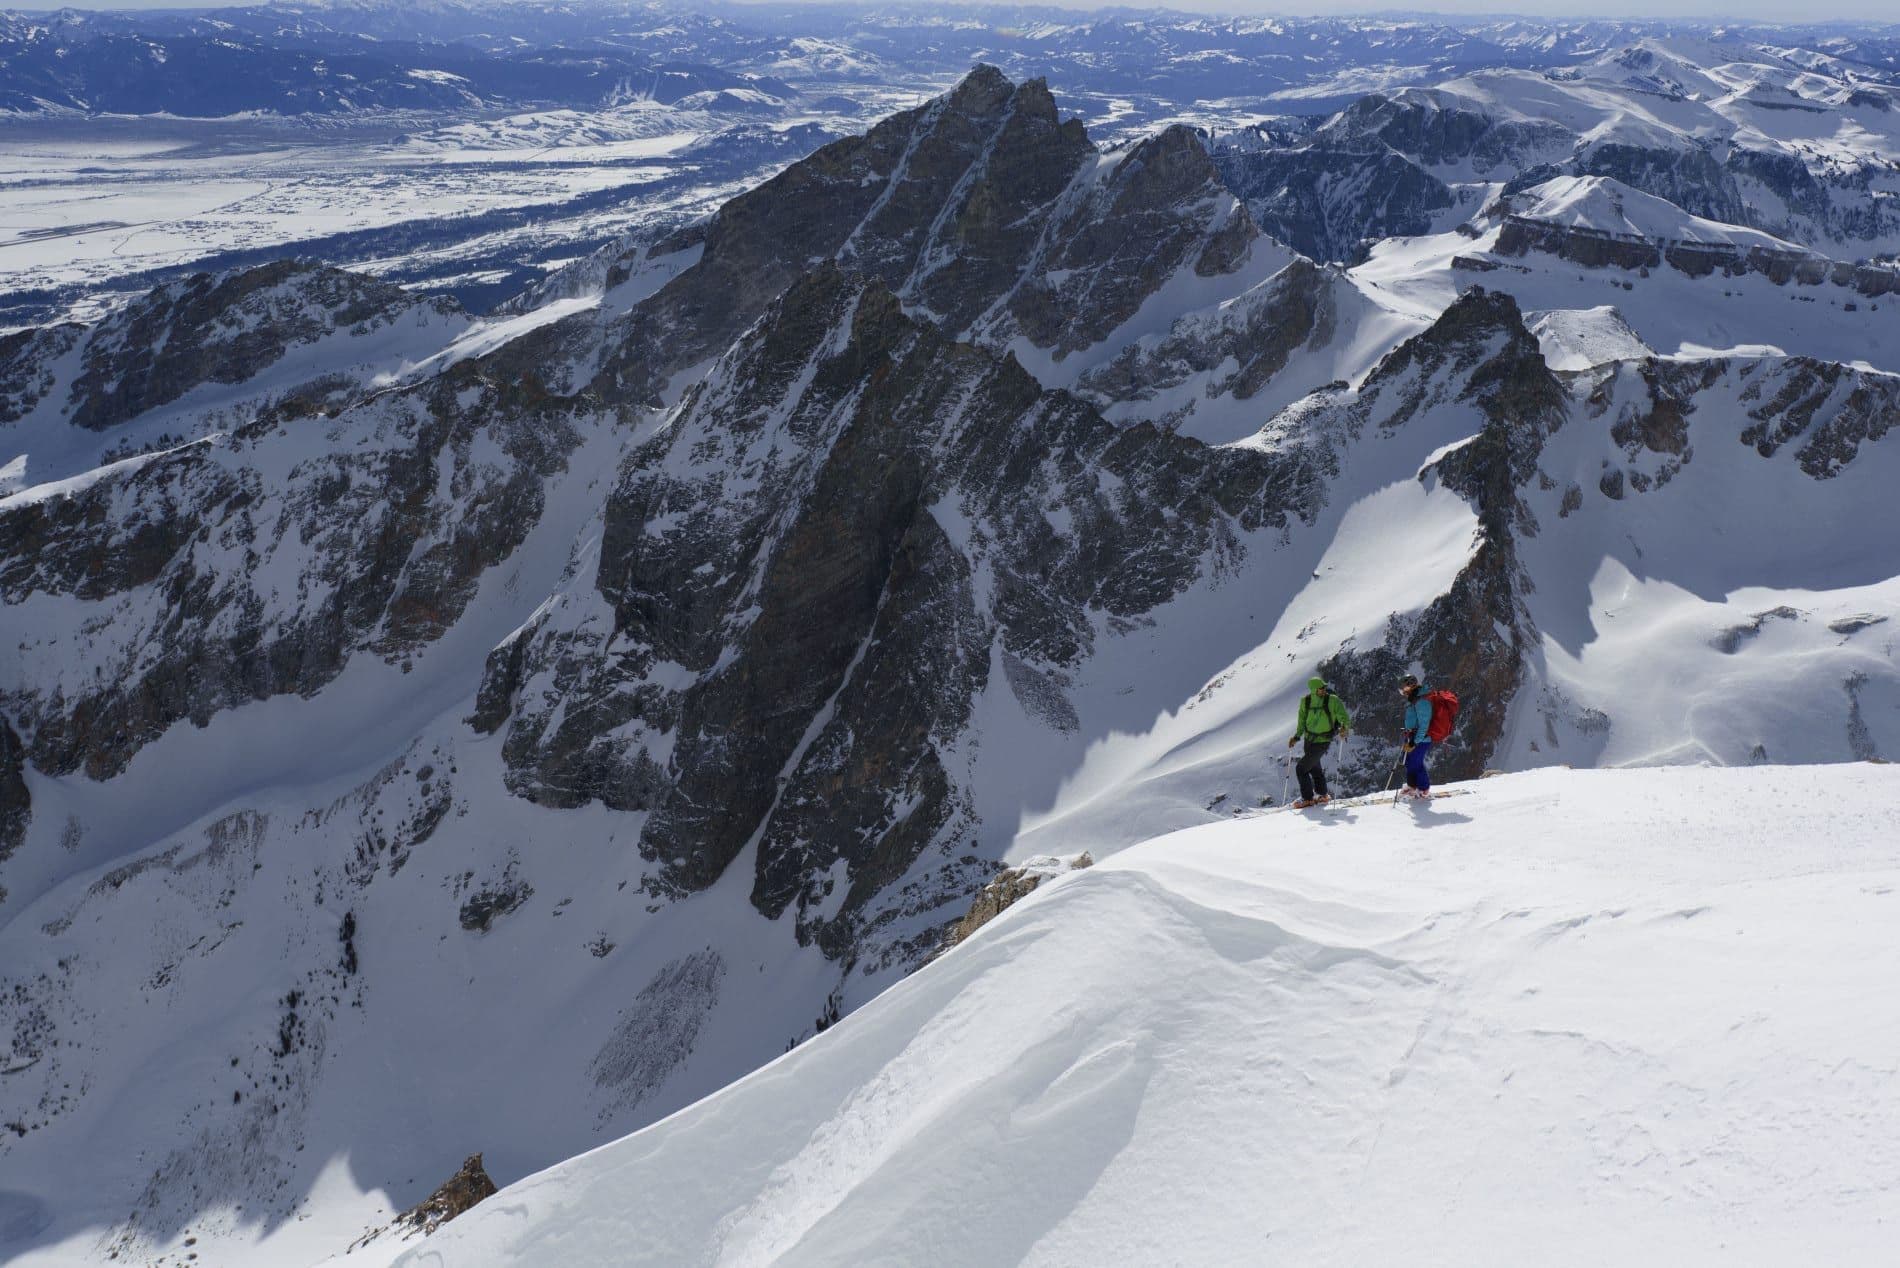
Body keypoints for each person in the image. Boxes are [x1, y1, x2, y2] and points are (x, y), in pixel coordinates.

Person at [1286, 676, 1350, 807]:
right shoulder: (1305, 701)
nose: (1324, 690)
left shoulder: (1332, 700)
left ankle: (1308, 798)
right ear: (1314, 689)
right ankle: (1322, 795)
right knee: (1315, 768)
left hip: (1323, 741)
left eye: (1324, 687)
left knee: (1301, 768)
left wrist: (1344, 727)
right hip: (1309, 740)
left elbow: (1343, 716)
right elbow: (1302, 722)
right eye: (1321, 688)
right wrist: (1296, 737)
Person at [1398, 673, 1433, 800]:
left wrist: (1415, 742)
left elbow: (1424, 725)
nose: (1402, 691)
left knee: (1415, 763)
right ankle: (1412, 787)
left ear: (1411, 686)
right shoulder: (1414, 699)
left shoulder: (1421, 701)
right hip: (1413, 737)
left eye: (1404, 688)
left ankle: (1424, 789)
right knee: (1409, 762)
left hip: (1421, 739)